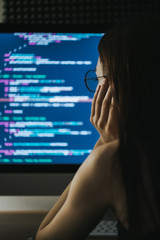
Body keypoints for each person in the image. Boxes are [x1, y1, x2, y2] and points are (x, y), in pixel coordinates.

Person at [35, 15, 160, 240]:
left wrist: (102, 147)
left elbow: (43, 236)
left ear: (117, 87)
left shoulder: (114, 164)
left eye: (99, 79)